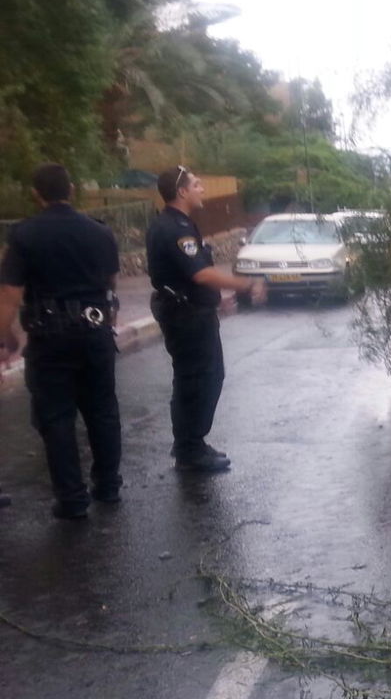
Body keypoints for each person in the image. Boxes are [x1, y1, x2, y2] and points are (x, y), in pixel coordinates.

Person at [0, 164, 122, 519]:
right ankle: (109, 486)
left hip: (50, 337)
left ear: (37, 194)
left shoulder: (25, 235)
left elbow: (10, 294)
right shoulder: (100, 232)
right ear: (70, 189)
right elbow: (111, 282)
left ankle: (71, 498)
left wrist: (5, 335)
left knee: (56, 417)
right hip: (95, 331)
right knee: (102, 410)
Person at [146, 165, 264, 472]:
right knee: (198, 379)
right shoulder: (176, 228)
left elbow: (187, 276)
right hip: (186, 318)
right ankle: (190, 449)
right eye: (197, 185)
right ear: (182, 191)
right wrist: (246, 284)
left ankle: (190, 444)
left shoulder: (175, 224)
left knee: (201, 377)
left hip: (190, 312)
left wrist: (214, 299)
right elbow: (200, 272)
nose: (202, 189)